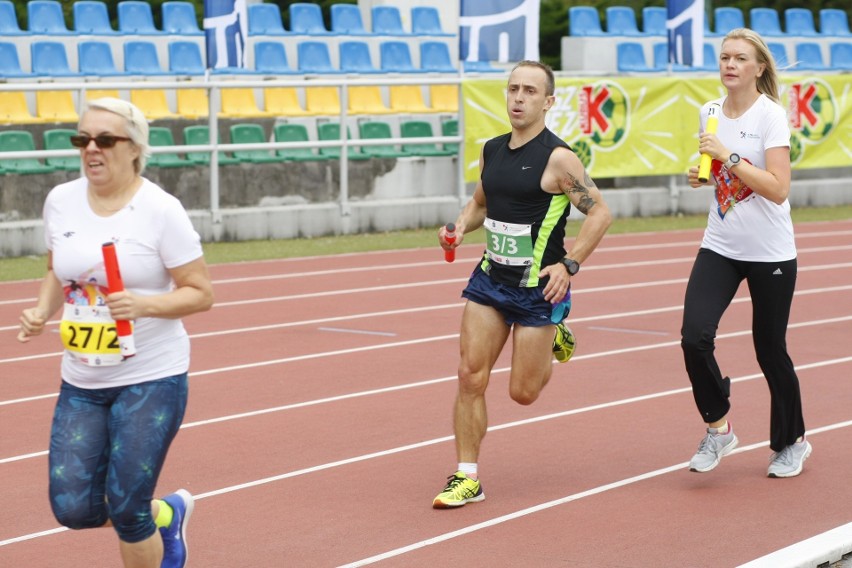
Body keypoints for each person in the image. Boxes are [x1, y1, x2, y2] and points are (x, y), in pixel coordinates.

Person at [16, 97, 214, 567]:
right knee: (73, 509)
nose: (91, 149)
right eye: (81, 139)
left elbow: (201, 292)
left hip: (151, 377)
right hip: (82, 381)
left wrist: (145, 304)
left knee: (126, 509)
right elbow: (55, 269)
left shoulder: (161, 210)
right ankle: (165, 514)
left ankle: (148, 525)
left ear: (134, 148)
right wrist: (42, 310)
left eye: (105, 139)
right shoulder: (60, 201)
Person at [433, 61, 612, 508]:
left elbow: (600, 213)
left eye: (530, 91)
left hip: (539, 289)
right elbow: (480, 203)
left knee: (523, 393)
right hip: (490, 280)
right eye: (513, 89)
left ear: (548, 102)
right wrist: (457, 227)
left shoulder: (559, 159)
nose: (518, 98)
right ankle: (466, 475)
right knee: (469, 375)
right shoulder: (492, 149)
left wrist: (569, 264)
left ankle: (557, 330)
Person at [683, 28, 810, 478]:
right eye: (724, 57)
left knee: (769, 349)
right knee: (693, 335)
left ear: (758, 68)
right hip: (721, 244)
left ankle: (791, 441)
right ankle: (719, 429)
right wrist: (701, 175)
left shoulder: (771, 116)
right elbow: (719, 175)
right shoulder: (710, 110)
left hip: (770, 250)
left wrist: (729, 156)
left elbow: (778, 190)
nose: (729, 64)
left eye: (739, 58)